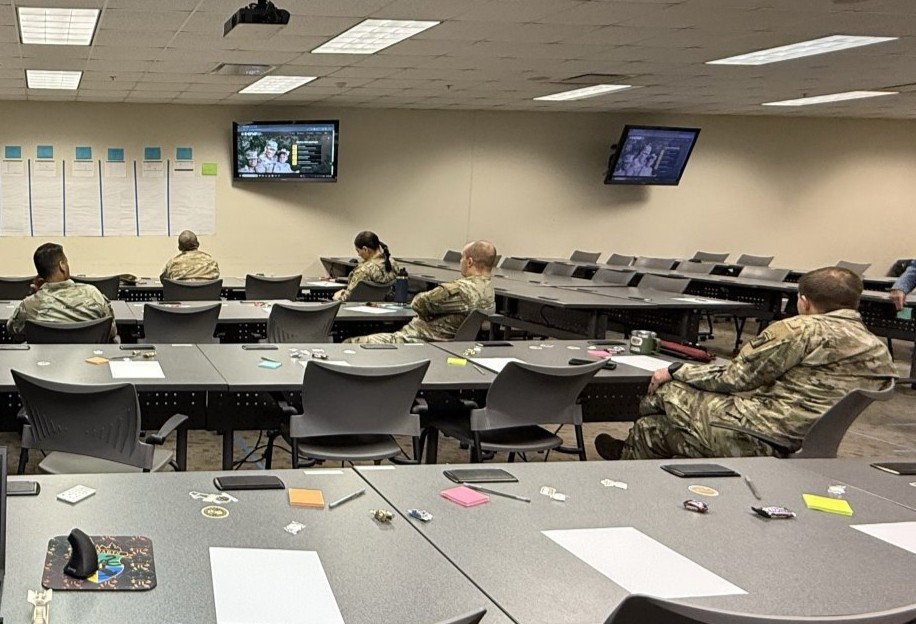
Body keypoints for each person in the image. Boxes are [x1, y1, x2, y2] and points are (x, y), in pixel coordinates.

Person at [595, 266, 897, 461]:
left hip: (761, 434)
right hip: (809, 441)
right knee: (653, 427)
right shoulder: (877, 348)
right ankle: (633, 448)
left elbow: (735, 378)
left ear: (803, 301)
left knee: (667, 389)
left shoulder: (799, 330)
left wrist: (676, 370)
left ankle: (628, 456)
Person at [345, 240, 496, 343]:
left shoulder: (457, 290)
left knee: (350, 343)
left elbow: (418, 304)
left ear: (469, 262)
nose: (460, 261)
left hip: (418, 340)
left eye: (462, 258)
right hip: (445, 344)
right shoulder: (489, 290)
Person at [6, 243, 117, 342]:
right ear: (62, 265)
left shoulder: (30, 305)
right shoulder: (93, 294)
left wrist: (35, 295)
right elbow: (111, 331)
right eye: (66, 262)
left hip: (45, 358)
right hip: (88, 357)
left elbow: (13, 330)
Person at [334, 231, 399, 302]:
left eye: (358, 251)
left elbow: (349, 298)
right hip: (385, 305)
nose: (358, 254)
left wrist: (338, 296)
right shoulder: (393, 264)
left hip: (360, 306)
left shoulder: (364, 270)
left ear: (365, 249)